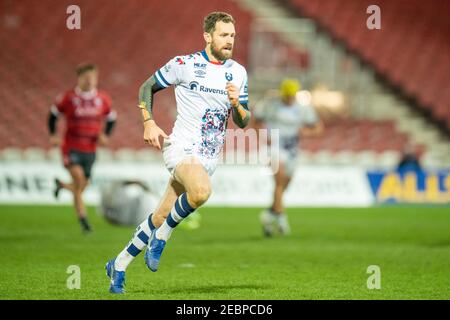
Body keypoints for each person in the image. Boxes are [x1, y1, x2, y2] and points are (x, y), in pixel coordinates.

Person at [105, 12, 251, 294]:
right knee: (200, 193)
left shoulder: (238, 72)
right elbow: (147, 87)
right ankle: (163, 236)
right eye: (223, 34)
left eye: (232, 35)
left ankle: (118, 265)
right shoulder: (184, 64)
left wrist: (237, 104)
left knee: (160, 215)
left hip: (208, 158)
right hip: (181, 148)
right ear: (208, 36)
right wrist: (149, 122)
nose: (229, 40)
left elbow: (244, 121)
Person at [48, 63, 116, 233]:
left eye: (93, 77)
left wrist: (105, 135)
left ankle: (62, 186)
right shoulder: (68, 98)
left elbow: (112, 118)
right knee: (79, 181)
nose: (90, 80)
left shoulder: (103, 98)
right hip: (71, 146)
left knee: (82, 185)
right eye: (87, 77)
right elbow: (53, 116)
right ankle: (84, 221)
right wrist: (53, 135)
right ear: (79, 78)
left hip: (90, 149)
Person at [253, 79, 323, 237]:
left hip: (292, 149)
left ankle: (269, 215)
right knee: (279, 181)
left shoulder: (303, 109)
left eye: (292, 95)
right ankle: (282, 219)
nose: (290, 98)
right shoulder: (271, 105)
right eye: (287, 95)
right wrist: (263, 136)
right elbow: (256, 122)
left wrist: (307, 132)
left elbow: (318, 128)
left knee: (285, 185)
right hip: (274, 147)